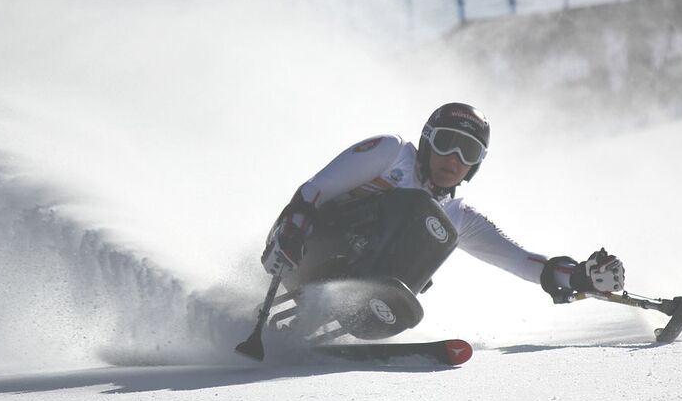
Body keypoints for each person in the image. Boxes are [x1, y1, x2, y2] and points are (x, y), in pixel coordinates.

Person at [260, 102, 624, 309]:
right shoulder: (391, 154)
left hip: (359, 281)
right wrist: (290, 232)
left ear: (475, 166)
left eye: (467, 152)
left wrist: (577, 276)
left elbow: (521, 260)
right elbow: (314, 190)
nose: (453, 158)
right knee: (417, 208)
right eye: (448, 143)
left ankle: (369, 301)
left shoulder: (456, 217)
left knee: (434, 225)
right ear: (428, 141)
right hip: (301, 246)